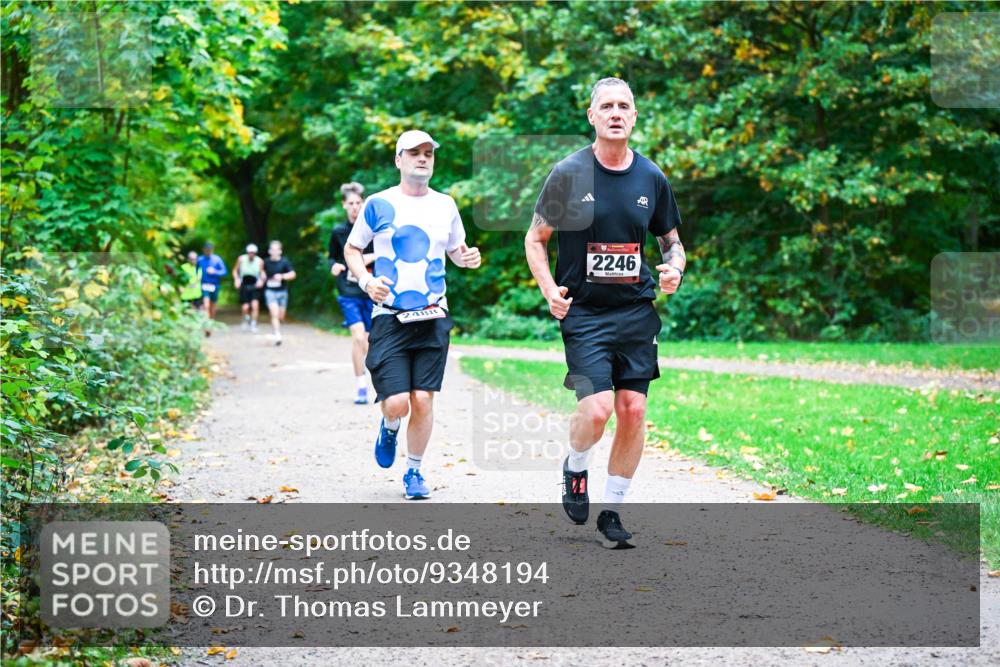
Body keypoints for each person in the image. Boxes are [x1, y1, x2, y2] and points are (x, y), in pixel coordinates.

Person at [524, 77, 685, 548]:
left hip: (636, 311)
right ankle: (575, 468)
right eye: (607, 106)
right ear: (592, 116)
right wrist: (550, 289)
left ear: (634, 117)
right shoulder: (569, 173)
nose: (616, 113)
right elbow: (535, 240)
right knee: (595, 410)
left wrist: (674, 269)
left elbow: (672, 243)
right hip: (586, 313)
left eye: (625, 106)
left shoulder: (651, 177)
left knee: (633, 409)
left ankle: (612, 510)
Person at [344, 130, 481, 500]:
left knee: (423, 399)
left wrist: (466, 258)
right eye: (414, 153)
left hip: (434, 315)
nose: (422, 158)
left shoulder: (446, 205)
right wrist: (366, 280)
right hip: (389, 316)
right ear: (398, 160)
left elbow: (456, 250)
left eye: (428, 153)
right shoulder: (377, 203)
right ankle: (389, 426)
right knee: (397, 402)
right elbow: (352, 249)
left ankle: (415, 472)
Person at [328, 182, 376, 404]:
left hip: (372, 292)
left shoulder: (373, 229)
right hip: (348, 292)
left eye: (358, 203)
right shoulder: (338, 232)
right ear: (343, 205)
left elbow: (385, 253)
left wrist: (365, 259)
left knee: (368, 341)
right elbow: (333, 256)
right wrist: (335, 266)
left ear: (364, 203)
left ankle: (370, 376)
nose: (355, 207)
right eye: (351, 203)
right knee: (358, 337)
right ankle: (361, 386)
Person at [262, 240, 296, 346]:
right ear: (269, 251)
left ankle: (277, 326)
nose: (274, 251)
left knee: (281, 316)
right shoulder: (265, 262)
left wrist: (282, 276)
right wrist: (262, 277)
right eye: (272, 249)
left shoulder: (284, 262)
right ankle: (277, 334)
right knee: (274, 313)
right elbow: (261, 271)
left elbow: (293, 274)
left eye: (276, 249)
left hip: (282, 291)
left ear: (280, 251)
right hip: (270, 291)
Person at [232, 243, 265, 332]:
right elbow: (235, 270)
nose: (251, 254)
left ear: (255, 253)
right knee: (245, 307)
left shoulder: (260, 261)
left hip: (254, 284)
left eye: (253, 252)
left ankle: (253, 323)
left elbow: (262, 273)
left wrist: (262, 280)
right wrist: (237, 279)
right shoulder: (241, 259)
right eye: (250, 252)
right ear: (247, 252)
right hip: (244, 283)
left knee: (255, 305)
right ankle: (246, 319)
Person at [197, 242, 227, 334]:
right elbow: (196, 272)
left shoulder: (217, 259)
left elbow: (224, 272)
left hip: (214, 285)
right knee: (206, 305)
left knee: (212, 306)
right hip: (204, 285)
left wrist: (215, 272)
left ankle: (211, 323)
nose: (208, 251)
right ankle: (207, 326)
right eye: (206, 250)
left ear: (212, 250)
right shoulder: (200, 260)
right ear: (204, 250)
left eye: (210, 250)